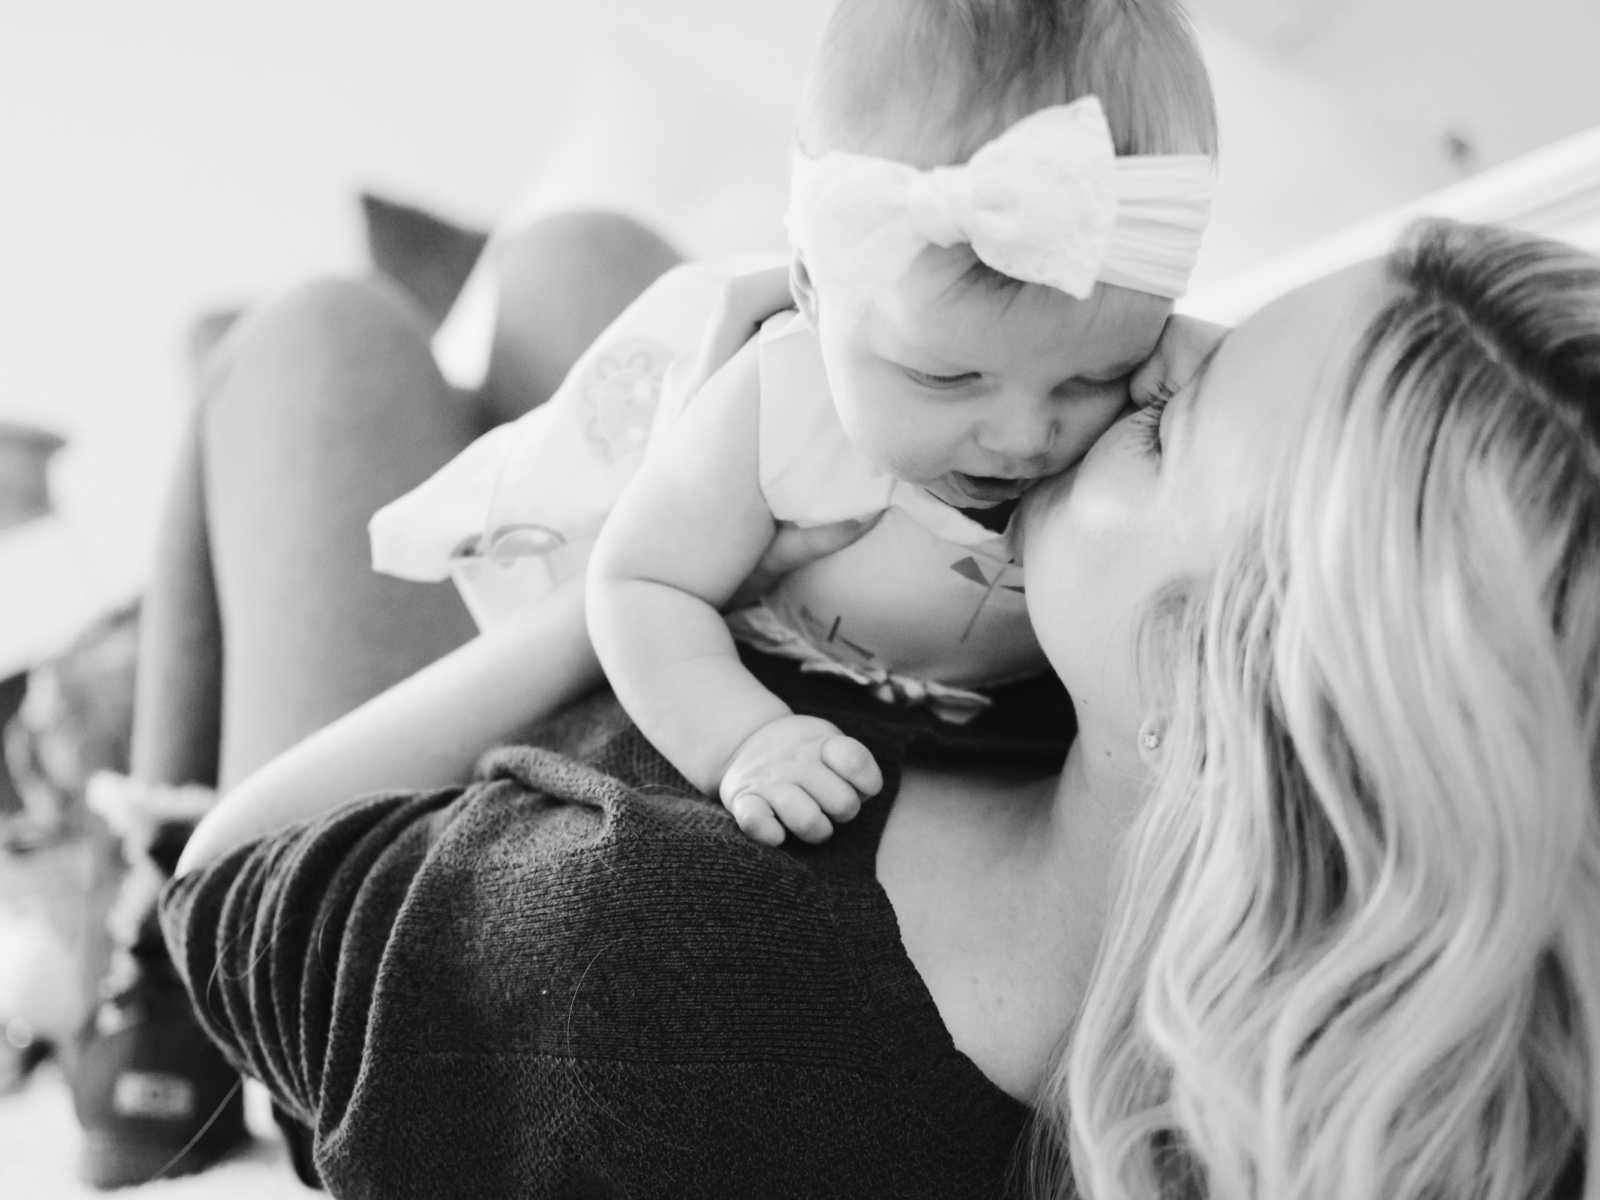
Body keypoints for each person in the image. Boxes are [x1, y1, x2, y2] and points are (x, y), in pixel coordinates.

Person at [145, 214, 1598, 1199]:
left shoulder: (641, 996)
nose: (1148, 358)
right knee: (579, 258)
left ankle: (126, 1043)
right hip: (676, 757)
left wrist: (628, 572)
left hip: (399, 911)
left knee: (307, 343)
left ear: (1205, 714)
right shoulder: (1106, 757)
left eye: (1163, 423)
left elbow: (233, 891)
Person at [370, 0, 1217, 845]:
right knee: (538, 281)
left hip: (974, 742)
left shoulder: (1155, 409)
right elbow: (640, 584)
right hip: (739, 662)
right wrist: (743, 737)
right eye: (945, 377)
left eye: (1092, 376)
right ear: (811, 292)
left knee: (566, 261)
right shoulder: (778, 403)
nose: (1026, 436)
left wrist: (1214, 383)